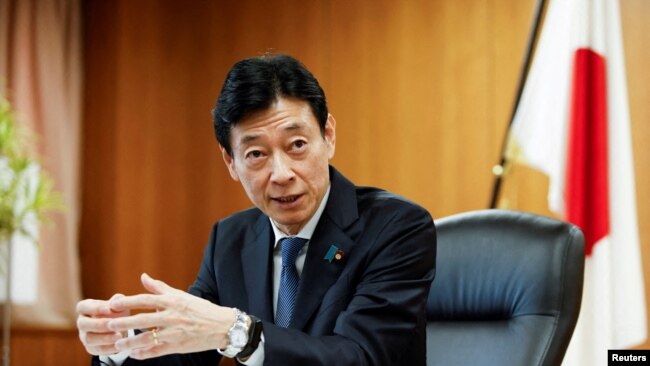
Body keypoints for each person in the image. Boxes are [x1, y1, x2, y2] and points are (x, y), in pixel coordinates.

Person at [76, 54, 436, 366]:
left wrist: (240, 334)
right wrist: (120, 345)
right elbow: (186, 356)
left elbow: (361, 356)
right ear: (230, 162)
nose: (281, 174)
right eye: (256, 155)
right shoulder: (230, 240)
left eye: (296, 145)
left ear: (328, 135)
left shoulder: (397, 227)